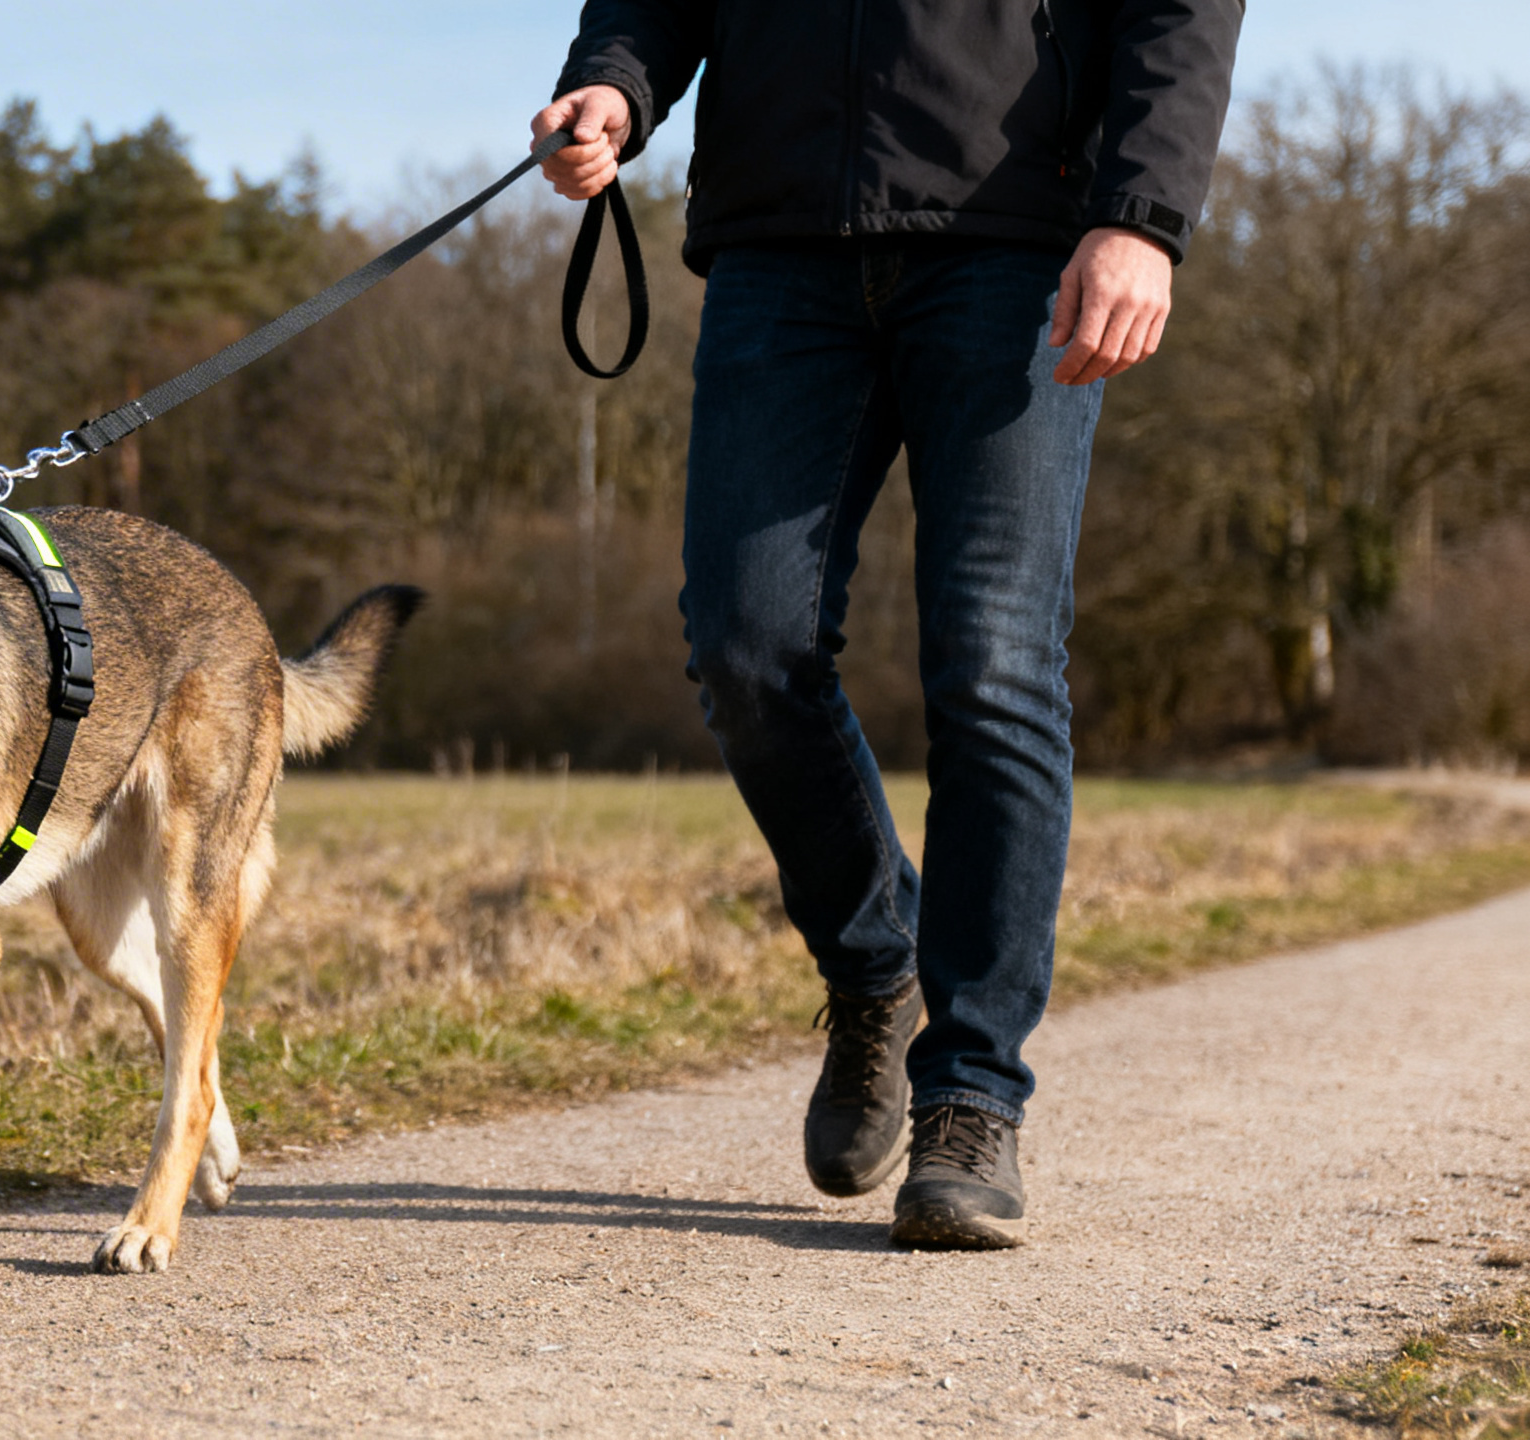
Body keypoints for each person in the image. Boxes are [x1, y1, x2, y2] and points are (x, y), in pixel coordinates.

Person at [532, 0, 1242, 1249]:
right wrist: (614, 85)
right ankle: (873, 961)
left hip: (1016, 233)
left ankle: (970, 1093)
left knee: (995, 669)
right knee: (745, 645)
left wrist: (1140, 215)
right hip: (780, 240)